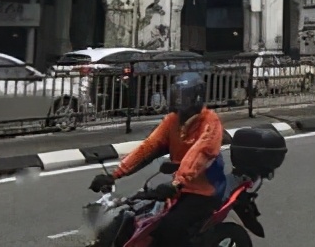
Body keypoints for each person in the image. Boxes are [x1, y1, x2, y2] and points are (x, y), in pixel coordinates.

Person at [89, 72, 223, 247]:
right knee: (134, 218)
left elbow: (199, 153)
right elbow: (148, 147)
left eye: (184, 96)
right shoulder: (172, 121)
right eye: (177, 96)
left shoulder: (210, 122)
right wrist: (115, 175)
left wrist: (178, 181)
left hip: (204, 192)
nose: (179, 101)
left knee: (169, 230)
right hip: (177, 188)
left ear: (196, 97)